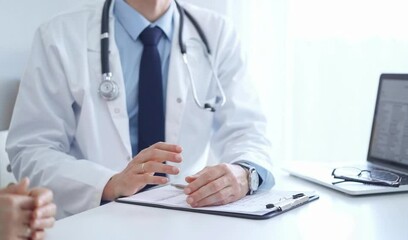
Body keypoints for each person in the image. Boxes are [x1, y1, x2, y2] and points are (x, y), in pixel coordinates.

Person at [6, 0, 275, 219]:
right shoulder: (60, 35)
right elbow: (31, 150)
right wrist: (109, 182)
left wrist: (244, 173)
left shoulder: (217, 33)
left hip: (188, 217)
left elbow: (248, 132)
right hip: (95, 220)